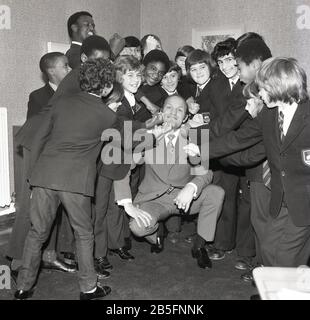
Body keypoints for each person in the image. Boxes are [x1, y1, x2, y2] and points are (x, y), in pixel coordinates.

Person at [14, 58, 118, 300]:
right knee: (83, 234)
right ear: (107, 87)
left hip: (45, 176)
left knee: (36, 232)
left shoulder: (61, 103)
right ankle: (88, 288)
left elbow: (39, 140)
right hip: (76, 181)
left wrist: (33, 179)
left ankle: (22, 287)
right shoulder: (107, 116)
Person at [115, 95, 225, 269]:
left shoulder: (196, 138)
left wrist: (192, 186)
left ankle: (200, 245)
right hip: (154, 200)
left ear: (186, 118)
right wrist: (127, 203)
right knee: (137, 226)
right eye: (169, 108)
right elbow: (123, 168)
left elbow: (206, 173)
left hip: (185, 197)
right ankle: (156, 233)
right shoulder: (147, 137)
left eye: (180, 110)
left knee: (216, 193)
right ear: (161, 112)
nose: (173, 113)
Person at [8, 53, 74, 278]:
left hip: (61, 158)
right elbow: (38, 130)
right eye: (65, 66)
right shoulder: (38, 96)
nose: (69, 68)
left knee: (55, 209)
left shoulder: (72, 94)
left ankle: (49, 256)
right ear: (51, 72)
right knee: (31, 209)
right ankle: (18, 260)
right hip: (38, 158)